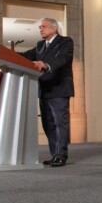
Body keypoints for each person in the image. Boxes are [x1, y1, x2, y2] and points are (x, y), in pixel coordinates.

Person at [20, 18, 74, 167]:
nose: (41, 30)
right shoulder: (40, 45)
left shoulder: (65, 42)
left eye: (44, 27)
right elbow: (25, 55)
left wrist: (47, 65)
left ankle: (61, 155)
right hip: (44, 89)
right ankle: (54, 154)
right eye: (39, 27)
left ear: (54, 28)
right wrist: (2, 51)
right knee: (48, 124)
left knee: (60, 123)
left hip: (59, 89)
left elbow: (62, 59)